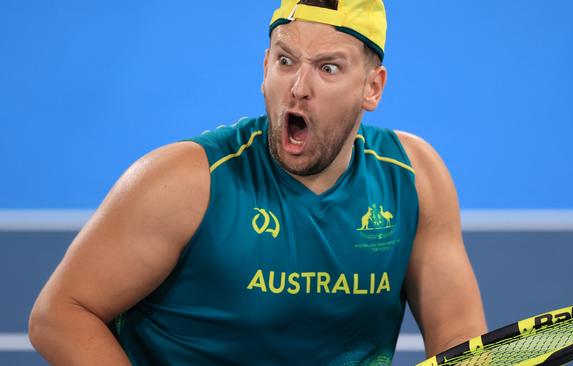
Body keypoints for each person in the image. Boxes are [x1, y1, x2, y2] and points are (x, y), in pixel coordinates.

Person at [29, 0, 487, 364]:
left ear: (373, 87)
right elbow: (60, 315)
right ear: (266, 64)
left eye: (328, 68)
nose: (299, 87)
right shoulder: (186, 182)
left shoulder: (413, 178)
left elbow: (461, 346)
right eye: (286, 60)